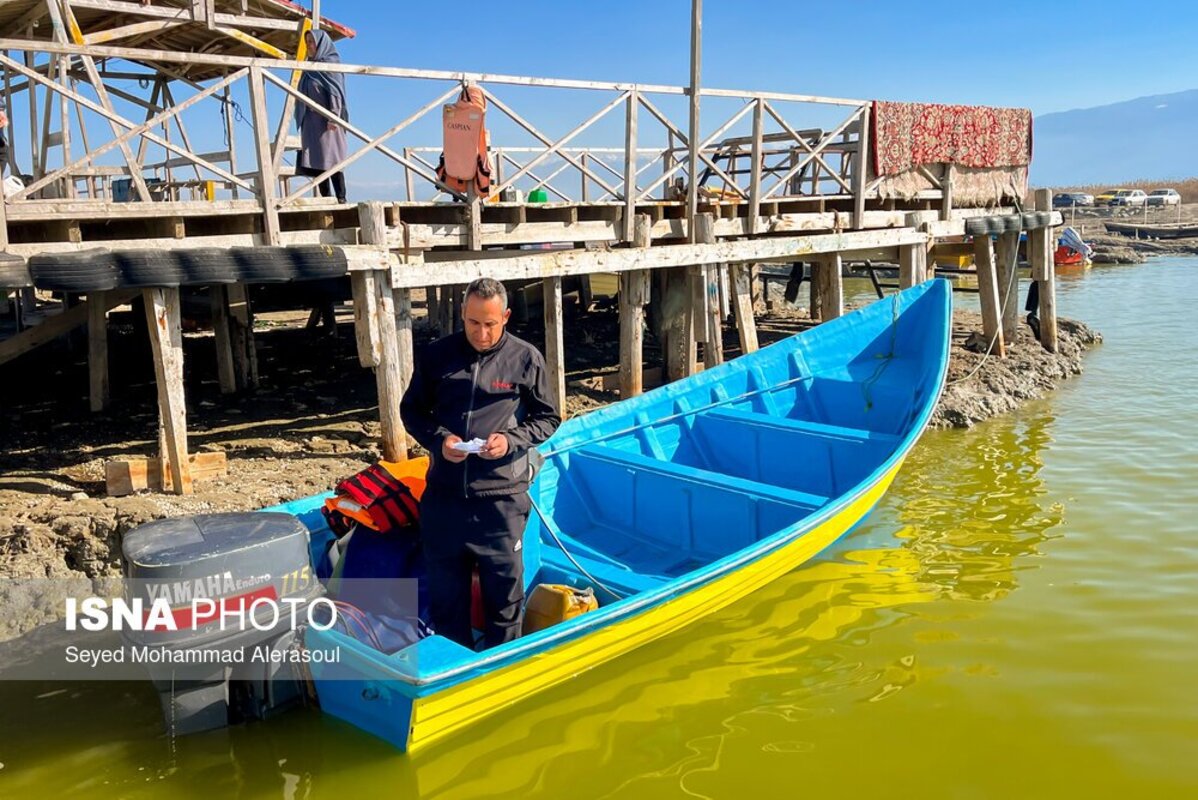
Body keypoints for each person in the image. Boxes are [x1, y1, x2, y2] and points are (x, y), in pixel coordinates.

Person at [400, 278, 561, 649]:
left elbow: (549, 417)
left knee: (504, 603)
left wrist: (511, 440)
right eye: (474, 323)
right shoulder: (437, 355)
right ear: (463, 315)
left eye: (490, 324)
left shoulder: (525, 358)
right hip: (445, 499)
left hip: (501, 501)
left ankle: (502, 670)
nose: (482, 333)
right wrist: (440, 441)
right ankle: (455, 670)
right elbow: (412, 410)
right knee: (446, 602)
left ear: (505, 316)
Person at [296, 29, 348, 203]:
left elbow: (336, 92)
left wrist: (333, 116)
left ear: (321, 44)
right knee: (316, 161)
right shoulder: (309, 67)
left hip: (327, 122)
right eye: (307, 42)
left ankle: (341, 198)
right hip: (310, 122)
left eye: (312, 42)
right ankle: (326, 199)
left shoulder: (330, 65)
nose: (309, 46)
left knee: (332, 159)